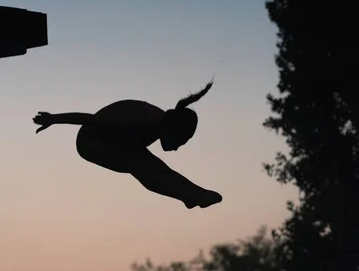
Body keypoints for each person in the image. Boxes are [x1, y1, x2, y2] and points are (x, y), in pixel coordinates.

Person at [33, 80, 222, 209]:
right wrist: (53, 119)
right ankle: (189, 195)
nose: (177, 148)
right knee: (141, 163)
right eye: (179, 141)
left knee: (150, 164)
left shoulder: (156, 123)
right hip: (90, 141)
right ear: (170, 129)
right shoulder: (140, 120)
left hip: (118, 141)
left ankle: (192, 194)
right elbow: (90, 119)